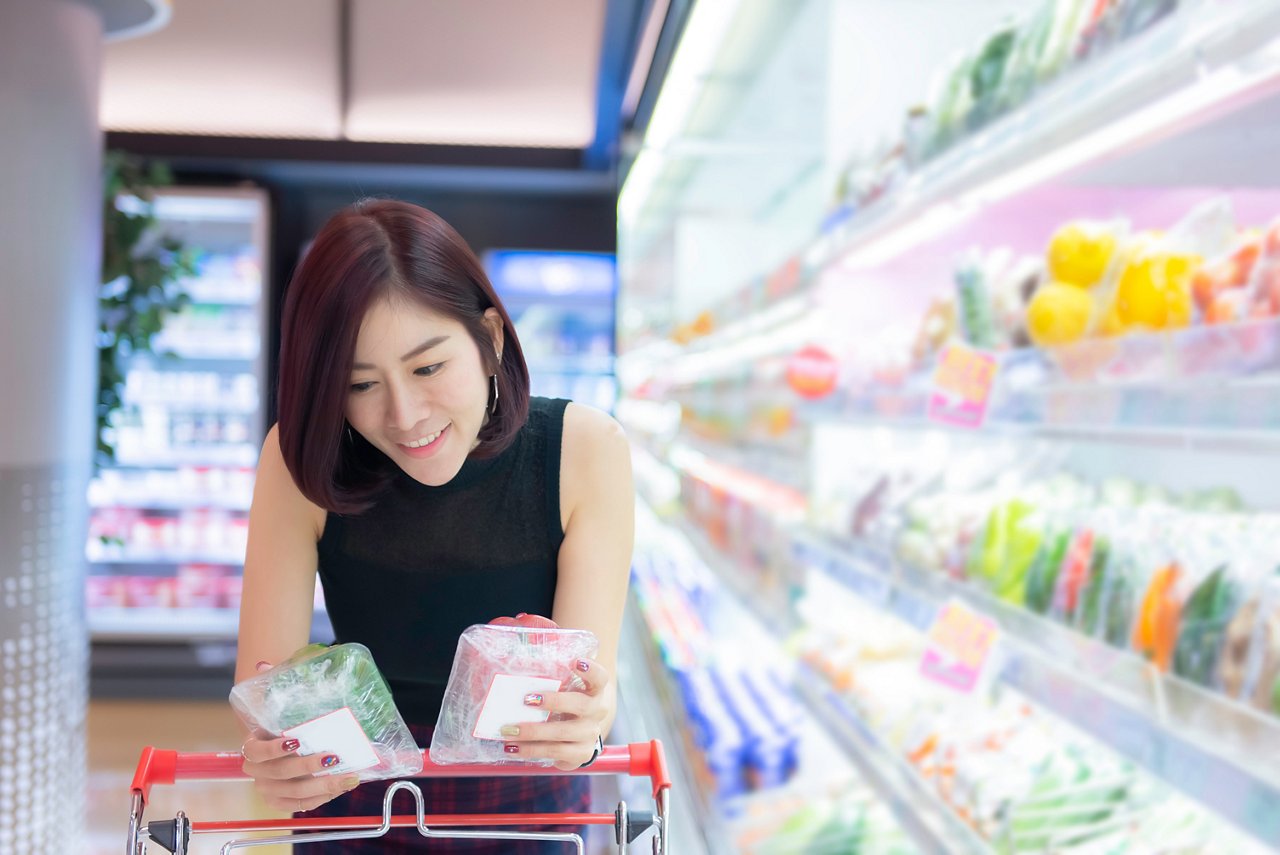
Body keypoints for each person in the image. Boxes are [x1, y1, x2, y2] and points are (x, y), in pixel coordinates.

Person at [233, 198, 635, 852]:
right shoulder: (298, 458)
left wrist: (585, 724)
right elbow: (265, 688)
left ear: (491, 340)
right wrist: (275, 755)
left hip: (525, 798)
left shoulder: (583, 450)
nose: (405, 414)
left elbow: (592, 691)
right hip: (354, 792)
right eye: (360, 385)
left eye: (427, 367)